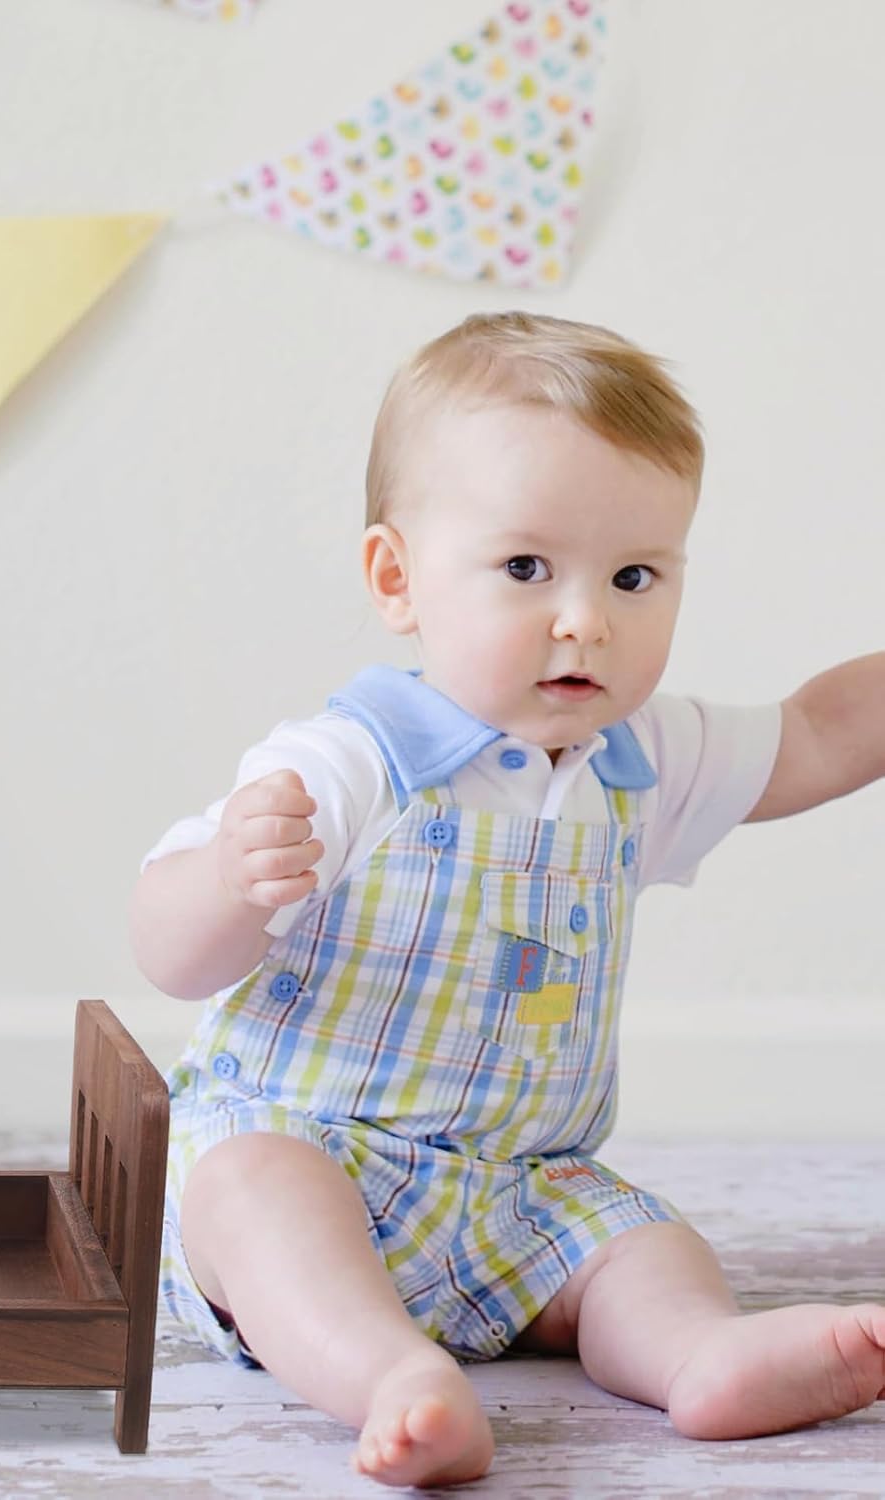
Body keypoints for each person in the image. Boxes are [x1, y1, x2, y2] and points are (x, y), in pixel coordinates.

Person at [128, 311, 885, 1488]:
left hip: (520, 1189)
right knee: (250, 1193)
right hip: (316, 1155)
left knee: (639, 1246)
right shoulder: (351, 759)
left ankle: (699, 1355)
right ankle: (386, 1372)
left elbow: (822, 734)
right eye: (527, 568)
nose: (586, 617)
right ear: (400, 579)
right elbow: (167, 952)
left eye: (634, 576)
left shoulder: (641, 757)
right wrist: (231, 879)